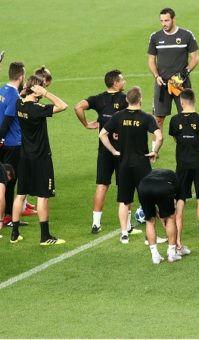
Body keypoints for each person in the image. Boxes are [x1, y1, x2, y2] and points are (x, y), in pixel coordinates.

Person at [100, 86, 163, 244]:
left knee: (124, 200)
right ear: (140, 100)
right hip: (142, 164)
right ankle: (150, 237)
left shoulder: (118, 116)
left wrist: (113, 151)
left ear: (127, 100)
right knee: (147, 200)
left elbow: (102, 134)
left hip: (123, 164)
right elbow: (159, 136)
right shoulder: (146, 117)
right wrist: (155, 151)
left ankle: (124, 234)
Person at [10, 76, 68, 246]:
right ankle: (45, 237)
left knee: (21, 194)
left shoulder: (19, 104)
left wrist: (30, 90)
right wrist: (46, 94)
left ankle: (14, 234)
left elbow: (22, 95)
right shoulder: (36, 109)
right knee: (43, 196)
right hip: (41, 158)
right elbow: (63, 106)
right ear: (36, 90)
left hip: (25, 156)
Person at [74, 70, 128, 234]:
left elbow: (78, 107)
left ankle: (96, 224)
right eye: (122, 80)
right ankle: (127, 226)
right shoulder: (125, 99)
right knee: (124, 186)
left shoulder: (98, 99)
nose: (124, 82)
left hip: (104, 150)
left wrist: (86, 124)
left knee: (102, 185)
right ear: (115, 83)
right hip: (122, 151)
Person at [168, 88, 199, 252]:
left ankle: (177, 240)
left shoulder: (174, 120)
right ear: (194, 101)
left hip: (182, 164)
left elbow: (175, 138)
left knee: (180, 200)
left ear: (181, 102)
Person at [148, 7, 199, 131]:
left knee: (186, 117)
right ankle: (156, 144)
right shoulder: (155, 37)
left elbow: (195, 58)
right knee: (158, 119)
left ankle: (185, 142)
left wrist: (183, 75)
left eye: (166, 20)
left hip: (181, 84)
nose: (164, 24)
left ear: (174, 19)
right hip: (162, 85)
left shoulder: (186, 35)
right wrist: (156, 76)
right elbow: (151, 60)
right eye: (161, 21)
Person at [0, 61, 28, 225]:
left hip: (3, 144)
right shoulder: (14, 96)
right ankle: (8, 216)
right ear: (21, 76)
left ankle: (6, 214)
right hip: (13, 143)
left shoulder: (0, 90)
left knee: (6, 176)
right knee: (11, 179)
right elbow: (7, 120)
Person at [137, 169, 182, 264]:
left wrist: (161, 215)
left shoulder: (152, 174)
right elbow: (178, 211)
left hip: (143, 187)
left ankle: (155, 256)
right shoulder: (177, 182)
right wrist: (177, 239)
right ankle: (172, 254)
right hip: (163, 187)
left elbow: (156, 211)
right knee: (170, 217)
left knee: (149, 220)